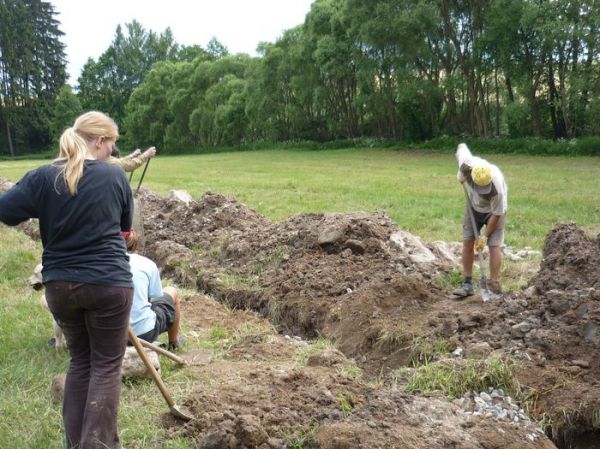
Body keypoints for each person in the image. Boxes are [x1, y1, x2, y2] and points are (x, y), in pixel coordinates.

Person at [0, 111, 134, 449]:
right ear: (100, 141)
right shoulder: (114, 177)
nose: (113, 154)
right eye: (112, 146)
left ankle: (78, 444)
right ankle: (97, 446)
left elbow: (6, 210)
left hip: (60, 286)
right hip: (109, 284)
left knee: (81, 362)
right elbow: (125, 231)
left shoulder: (45, 176)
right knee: (105, 366)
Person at [452, 143, 508, 297]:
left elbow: (497, 215)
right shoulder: (467, 165)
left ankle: (494, 284)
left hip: (493, 212)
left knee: (494, 245)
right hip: (473, 208)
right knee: (467, 242)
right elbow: (461, 147)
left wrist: (484, 236)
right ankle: (467, 283)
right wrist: (460, 174)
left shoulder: (498, 191)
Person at [123, 229, 182, 350]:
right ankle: (173, 343)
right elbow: (154, 296)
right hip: (144, 334)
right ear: (134, 243)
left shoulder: (98, 264)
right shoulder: (146, 263)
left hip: (104, 336)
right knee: (172, 291)